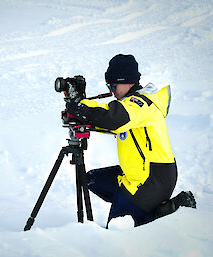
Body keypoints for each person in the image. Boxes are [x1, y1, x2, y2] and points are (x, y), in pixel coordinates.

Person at [66, 54, 196, 227]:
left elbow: (114, 118)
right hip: (135, 173)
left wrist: (80, 109)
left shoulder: (140, 103)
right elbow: (111, 121)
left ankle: (166, 210)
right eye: (108, 86)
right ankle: (134, 205)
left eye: (113, 85)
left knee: (118, 229)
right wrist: (82, 114)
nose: (111, 91)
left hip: (153, 178)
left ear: (128, 81)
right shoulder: (129, 104)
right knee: (89, 180)